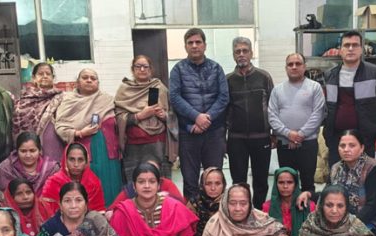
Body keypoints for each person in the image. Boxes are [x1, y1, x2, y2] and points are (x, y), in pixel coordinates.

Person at [298, 129, 376, 236]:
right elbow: (328, 195)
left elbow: (373, 206)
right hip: (341, 220)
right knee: (310, 234)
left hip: (374, 222)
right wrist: (310, 194)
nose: (346, 149)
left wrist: (348, 227)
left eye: (352, 145)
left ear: (362, 148)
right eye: (342, 146)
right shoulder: (336, 169)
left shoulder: (374, 170)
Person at [170, 28, 229, 201]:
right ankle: (193, 224)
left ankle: (216, 221)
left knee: (214, 181)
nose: (195, 46)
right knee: (190, 181)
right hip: (189, 133)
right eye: (190, 43)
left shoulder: (216, 68)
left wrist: (206, 118)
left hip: (214, 132)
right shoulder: (178, 70)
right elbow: (174, 97)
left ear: (205, 45)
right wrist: (196, 117)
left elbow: (223, 97)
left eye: (198, 42)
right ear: (185, 46)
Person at [54, 68, 122, 206]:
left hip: (109, 158)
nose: (89, 80)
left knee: (112, 192)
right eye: (85, 77)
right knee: (88, 195)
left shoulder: (108, 100)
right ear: (77, 82)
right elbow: (60, 127)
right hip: (83, 158)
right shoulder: (69, 101)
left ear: (98, 82)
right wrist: (79, 133)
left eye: (93, 78)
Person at [323, 30, 376, 165]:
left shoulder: (375, 73)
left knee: (364, 178)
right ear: (340, 50)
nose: (351, 49)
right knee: (337, 179)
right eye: (346, 45)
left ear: (361, 49)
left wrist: (372, 131)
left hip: (365, 139)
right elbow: (325, 107)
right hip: (337, 139)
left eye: (355, 45)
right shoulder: (330, 75)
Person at [225, 36, 274, 209]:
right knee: (238, 181)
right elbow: (224, 110)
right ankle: (241, 212)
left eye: (245, 51)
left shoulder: (264, 77)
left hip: (261, 137)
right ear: (233, 55)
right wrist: (223, 139)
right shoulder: (227, 80)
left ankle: (258, 212)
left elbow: (273, 107)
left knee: (261, 180)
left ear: (251, 53)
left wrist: (274, 133)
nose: (241, 54)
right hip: (236, 139)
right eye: (238, 51)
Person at [269, 53, 325, 195]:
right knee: (286, 185)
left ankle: (308, 215)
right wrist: (288, 134)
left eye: (298, 64)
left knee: (308, 184)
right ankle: (288, 216)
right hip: (284, 144)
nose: (294, 67)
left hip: (308, 143)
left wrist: (299, 135)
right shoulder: (277, 90)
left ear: (304, 67)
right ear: (286, 68)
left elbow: (318, 114)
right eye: (290, 64)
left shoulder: (315, 87)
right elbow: (272, 115)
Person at [114, 55, 173, 180]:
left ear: (150, 69)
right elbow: (118, 117)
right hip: (133, 147)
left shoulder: (159, 87)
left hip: (158, 146)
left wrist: (164, 116)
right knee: (135, 183)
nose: (142, 69)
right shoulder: (124, 89)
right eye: (138, 66)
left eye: (145, 66)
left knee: (159, 183)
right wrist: (138, 116)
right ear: (132, 69)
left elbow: (173, 115)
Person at [41, 143, 105, 213]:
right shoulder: (53, 182)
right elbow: (46, 211)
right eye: (72, 159)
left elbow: (99, 212)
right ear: (65, 161)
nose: (76, 164)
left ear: (86, 162)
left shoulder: (93, 183)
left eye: (80, 160)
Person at [0, 132, 60, 196]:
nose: (28, 155)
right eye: (23, 151)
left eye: (32, 151)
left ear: (40, 151)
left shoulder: (52, 169)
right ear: (17, 151)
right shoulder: (5, 169)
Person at [12, 62, 63, 139]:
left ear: (53, 77)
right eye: (41, 74)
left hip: (52, 142)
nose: (45, 76)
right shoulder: (24, 99)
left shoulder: (60, 97)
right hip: (27, 145)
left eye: (48, 74)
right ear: (33, 78)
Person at [262, 167, 315, 236]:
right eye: (281, 182)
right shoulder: (267, 207)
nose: (285, 186)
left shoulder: (309, 206)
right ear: (275, 184)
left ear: (296, 184)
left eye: (290, 182)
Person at [109, 158, 184, 209]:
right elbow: (111, 210)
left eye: (152, 181)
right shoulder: (130, 189)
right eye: (141, 181)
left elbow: (181, 207)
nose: (147, 186)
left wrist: (166, 199)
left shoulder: (166, 184)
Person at [186, 167, 226, 236]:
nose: (213, 188)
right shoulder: (194, 202)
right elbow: (186, 231)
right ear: (202, 185)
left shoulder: (230, 201)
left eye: (217, 183)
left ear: (223, 185)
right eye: (208, 184)